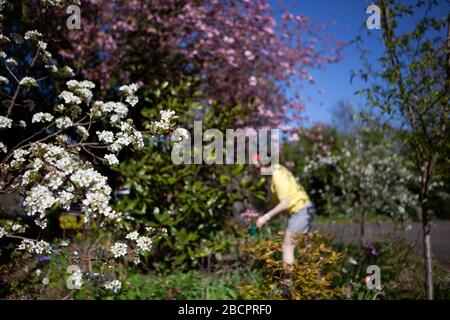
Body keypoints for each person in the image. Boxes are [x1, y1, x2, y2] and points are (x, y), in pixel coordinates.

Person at [254, 155, 315, 270]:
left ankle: (287, 284)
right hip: (306, 208)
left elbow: (285, 203)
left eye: (258, 168)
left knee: (287, 246)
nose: (258, 172)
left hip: (300, 211)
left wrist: (265, 217)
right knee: (306, 247)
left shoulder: (278, 176)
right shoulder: (279, 169)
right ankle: (317, 281)